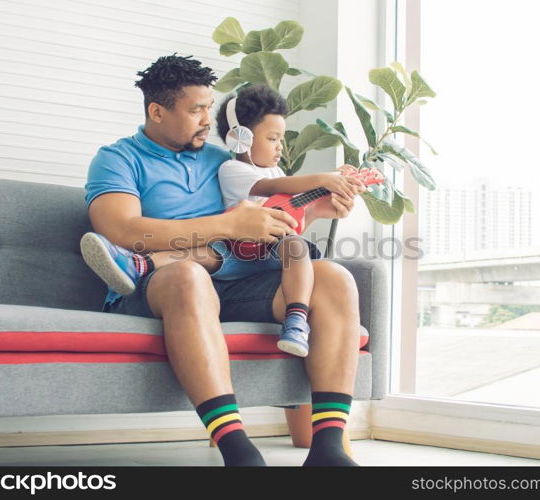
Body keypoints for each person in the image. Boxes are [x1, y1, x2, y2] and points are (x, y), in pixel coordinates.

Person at [83, 54, 366, 466]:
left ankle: (327, 450)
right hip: (160, 281)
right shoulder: (117, 159)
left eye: (207, 108)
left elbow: (272, 213)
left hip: (239, 281)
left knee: (335, 277)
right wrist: (228, 225)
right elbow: (122, 231)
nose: (205, 120)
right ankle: (238, 450)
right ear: (157, 111)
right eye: (194, 109)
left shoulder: (223, 161)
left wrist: (322, 208)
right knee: (188, 277)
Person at [82, 84, 363, 359]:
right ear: (241, 138)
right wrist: (324, 178)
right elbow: (274, 186)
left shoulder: (236, 163)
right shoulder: (232, 168)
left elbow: (286, 218)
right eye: (273, 138)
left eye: (208, 109)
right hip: (236, 245)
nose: (280, 147)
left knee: (299, 250)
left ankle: (296, 319)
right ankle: (141, 264)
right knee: (210, 253)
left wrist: (316, 210)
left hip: (259, 256)